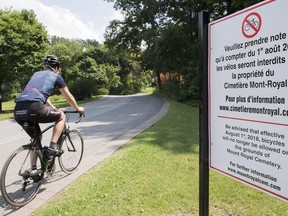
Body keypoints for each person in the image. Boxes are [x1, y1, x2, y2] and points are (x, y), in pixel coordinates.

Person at [14, 55, 85, 172]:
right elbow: (68, 96)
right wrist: (78, 108)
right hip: (35, 108)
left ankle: (33, 170)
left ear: (45, 66)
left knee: (35, 138)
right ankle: (52, 147)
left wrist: (52, 108)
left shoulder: (36, 75)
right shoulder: (56, 76)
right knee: (61, 116)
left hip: (18, 110)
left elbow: (39, 94)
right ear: (56, 68)